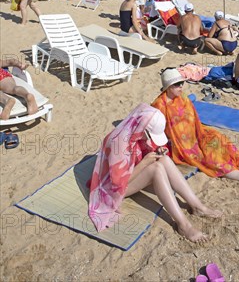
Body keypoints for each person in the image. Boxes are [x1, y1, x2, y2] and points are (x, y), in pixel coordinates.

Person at [88, 103, 221, 241]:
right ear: (142, 128)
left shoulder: (133, 128)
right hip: (110, 190)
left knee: (164, 160)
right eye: (150, 135)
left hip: (125, 176)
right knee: (156, 169)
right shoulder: (119, 143)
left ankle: (197, 206)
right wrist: (145, 162)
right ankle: (184, 225)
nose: (150, 140)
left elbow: (136, 153)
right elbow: (117, 183)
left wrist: (155, 153)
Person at [151, 69, 239, 190]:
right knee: (212, 158)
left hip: (198, 134)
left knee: (221, 141)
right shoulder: (159, 105)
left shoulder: (182, 97)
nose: (181, 86)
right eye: (177, 84)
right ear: (168, 86)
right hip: (183, 145)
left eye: (182, 83)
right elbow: (156, 129)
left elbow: (194, 119)